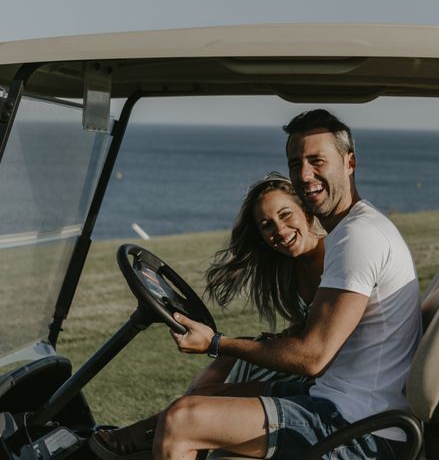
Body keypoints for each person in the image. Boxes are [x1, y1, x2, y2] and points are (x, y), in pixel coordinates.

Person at [151, 109, 422, 460]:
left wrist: (217, 343)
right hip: (337, 405)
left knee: (181, 421)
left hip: (358, 429)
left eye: (316, 161)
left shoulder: (359, 236)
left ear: (349, 162)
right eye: (296, 164)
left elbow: (312, 357)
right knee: (210, 416)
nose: (305, 175)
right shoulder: (351, 231)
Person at [90, 173, 324, 459]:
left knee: (224, 362)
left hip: (323, 388)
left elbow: (321, 350)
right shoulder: (296, 268)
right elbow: (319, 324)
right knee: (230, 361)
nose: (279, 228)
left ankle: (153, 434)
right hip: (311, 376)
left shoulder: (331, 261)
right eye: (267, 225)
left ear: (306, 211)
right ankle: (161, 433)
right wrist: (291, 331)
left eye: (286, 214)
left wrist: (215, 342)